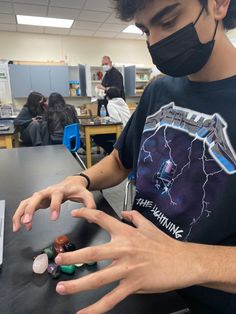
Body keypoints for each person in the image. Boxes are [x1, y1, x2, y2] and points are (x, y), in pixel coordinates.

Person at [12, 0, 236, 313]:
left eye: (168, 21)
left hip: (202, 297)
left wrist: (185, 258)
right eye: (145, 31)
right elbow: (120, 161)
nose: (155, 43)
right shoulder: (159, 91)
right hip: (132, 269)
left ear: (218, 4)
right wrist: (81, 179)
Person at [93, 86, 131, 154]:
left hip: (120, 131)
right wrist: (107, 118)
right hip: (128, 131)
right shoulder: (123, 102)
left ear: (108, 96)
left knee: (96, 137)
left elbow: (117, 120)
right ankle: (113, 151)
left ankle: (112, 151)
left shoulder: (110, 104)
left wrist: (105, 120)